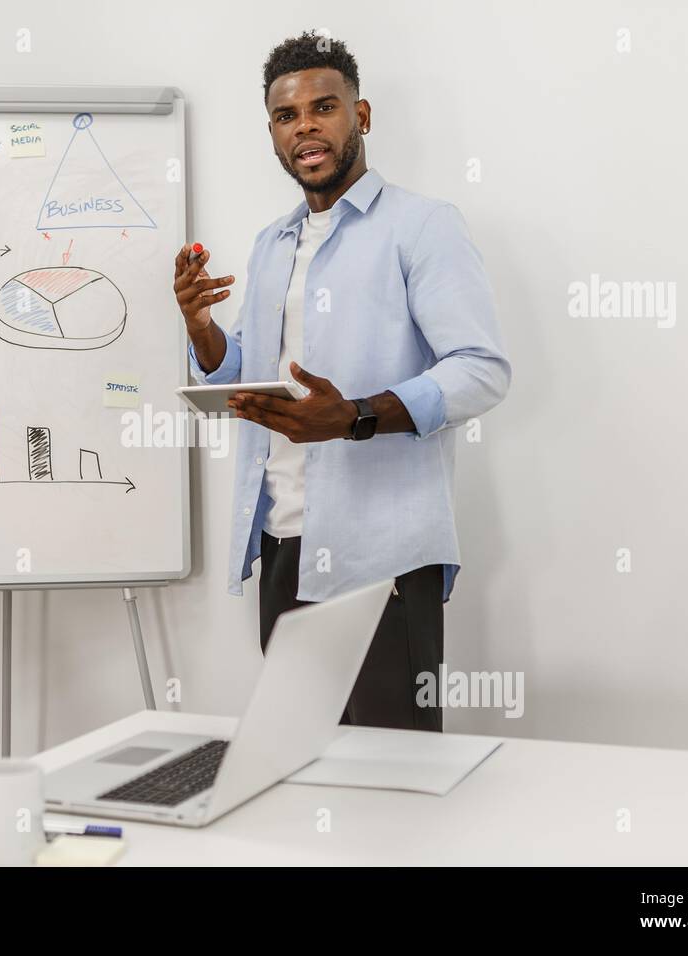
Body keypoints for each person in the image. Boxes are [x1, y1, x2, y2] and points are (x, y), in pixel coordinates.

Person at [174, 32, 511, 730]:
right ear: (272, 133)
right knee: (299, 764)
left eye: (323, 108)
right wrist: (200, 327)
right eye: (286, 116)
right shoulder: (273, 245)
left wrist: (355, 416)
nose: (305, 127)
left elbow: (481, 371)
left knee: (395, 772)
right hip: (281, 546)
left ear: (361, 116)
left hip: (380, 554)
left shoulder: (423, 227)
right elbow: (246, 378)